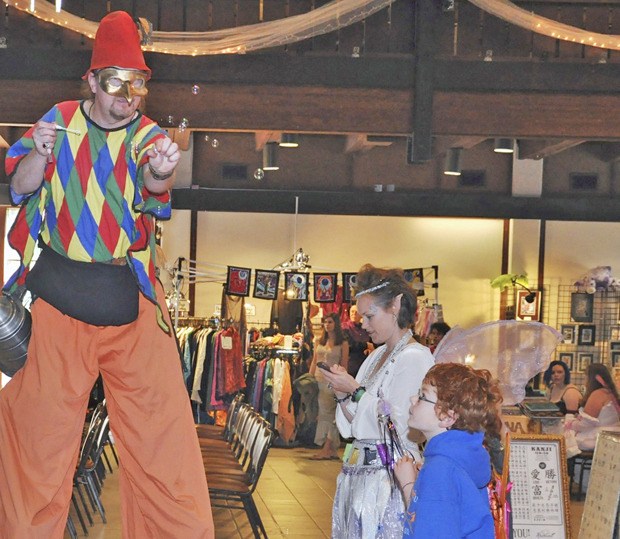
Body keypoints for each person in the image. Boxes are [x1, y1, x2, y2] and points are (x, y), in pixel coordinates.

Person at [0, 12, 214, 538]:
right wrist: (42, 155)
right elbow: (18, 184)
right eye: (116, 82)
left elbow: (152, 178)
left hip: (130, 307)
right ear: (92, 81)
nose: (128, 95)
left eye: (138, 83)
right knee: (36, 455)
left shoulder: (147, 135)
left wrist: (162, 171)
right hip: (56, 304)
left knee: (164, 448)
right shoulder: (60, 118)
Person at [321, 264, 435, 538]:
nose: (363, 324)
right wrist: (342, 394)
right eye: (362, 316)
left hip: (388, 481)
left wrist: (356, 390)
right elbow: (354, 426)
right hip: (358, 476)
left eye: (370, 316)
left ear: (395, 306)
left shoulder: (414, 357)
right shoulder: (375, 356)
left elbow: (400, 424)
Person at [394, 363, 501, 538]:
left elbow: (429, 532)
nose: (413, 399)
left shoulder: (440, 469)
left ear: (447, 417)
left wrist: (408, 484)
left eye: (422, 395)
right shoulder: (459, 459)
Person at [309, 312, 349, 460]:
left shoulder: (342, 343)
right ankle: (329, 448)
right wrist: (309, 377)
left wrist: (342, 383)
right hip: (318, 380)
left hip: (332, 381)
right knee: (323, 414)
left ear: (336, 324)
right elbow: (314, 360)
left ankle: (327, 448)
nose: (327, 325)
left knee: (329, 414)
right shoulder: (319, 340)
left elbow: (344, 364)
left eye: (330, 322)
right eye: (325, 322)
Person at [564, 363, 620, 452]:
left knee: (565, 441)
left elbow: (586, 424)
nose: (584, 381)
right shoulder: (611, 393)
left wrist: (571, 424)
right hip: (612, 438)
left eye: (585, 377)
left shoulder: (598, 394)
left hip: (597, 439)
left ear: (591, 379)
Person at [343, 303, 373, 378]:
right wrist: (366, 345)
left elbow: (371, 344)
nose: (354, 314)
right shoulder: (344, 327)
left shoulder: (365, 328)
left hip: (363, 364)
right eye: (352, 311)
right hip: (350, 364)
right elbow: (349, 345)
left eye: (356, 312)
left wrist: (370, 348)